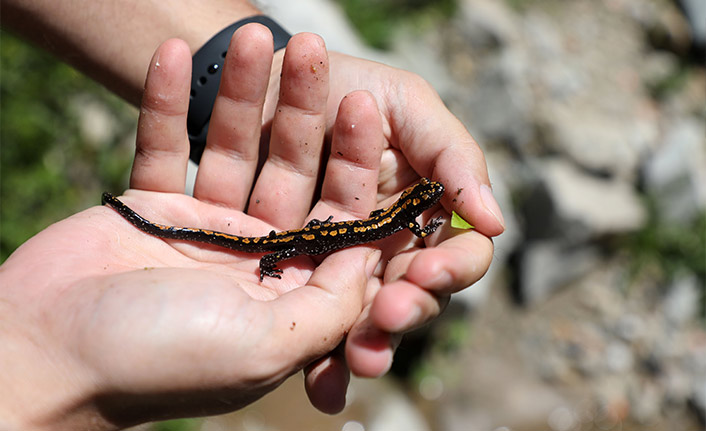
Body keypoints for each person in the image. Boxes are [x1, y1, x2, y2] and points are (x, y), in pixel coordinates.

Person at [0, 0, 504, 428]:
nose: (430, 198)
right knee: (262, 249)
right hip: (308, 239)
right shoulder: (406, 217)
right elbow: (417, 223)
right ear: (417, 203)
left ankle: (244, 250)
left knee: (270, 244)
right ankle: (245, 256)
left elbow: (412, 221)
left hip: (316, 236)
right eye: (428, 197)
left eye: (429, 197)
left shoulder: (402, 215)